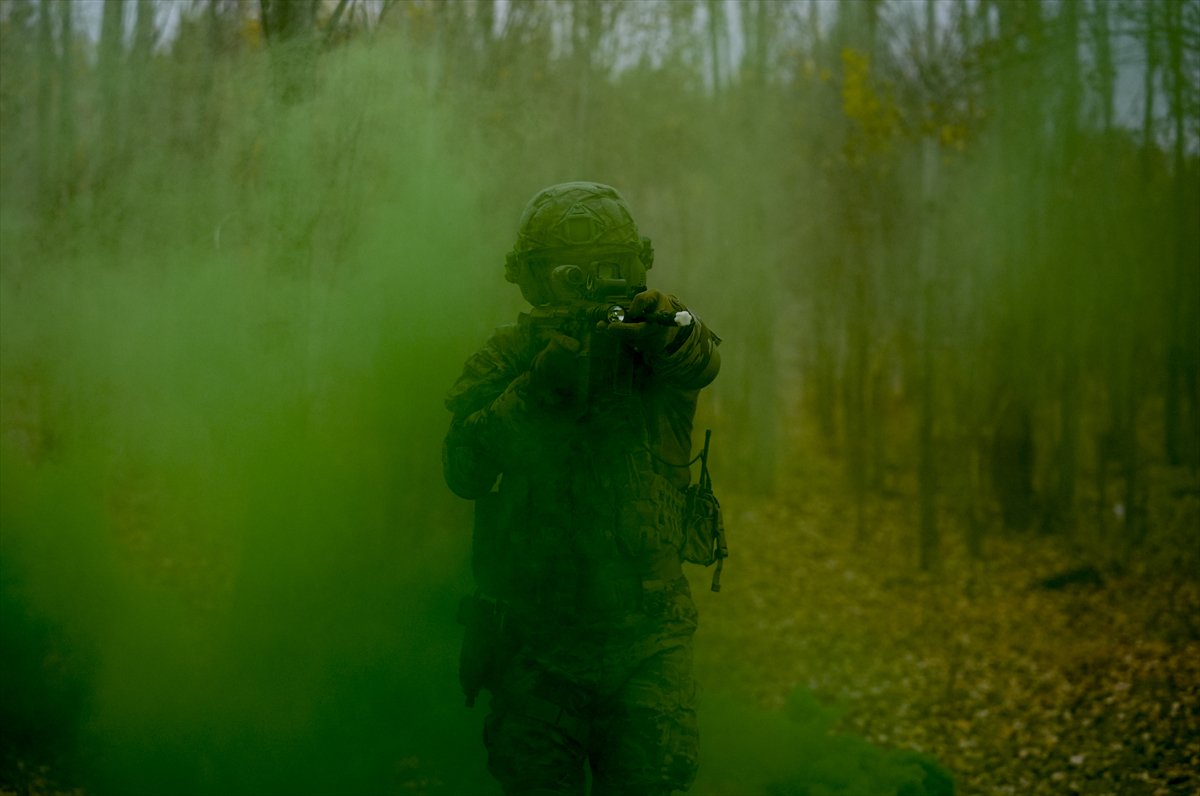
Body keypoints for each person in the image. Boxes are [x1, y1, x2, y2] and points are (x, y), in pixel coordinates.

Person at [442, 181, 722, 796]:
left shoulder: (654, 344)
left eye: (609, 269)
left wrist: (662, 322)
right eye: (574, 273)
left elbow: (698, 355)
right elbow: (463, 469)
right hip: (536, 643)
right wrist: (538, 392)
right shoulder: (508, 359)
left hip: (646, 635)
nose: (592, 284)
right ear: (534, 277)